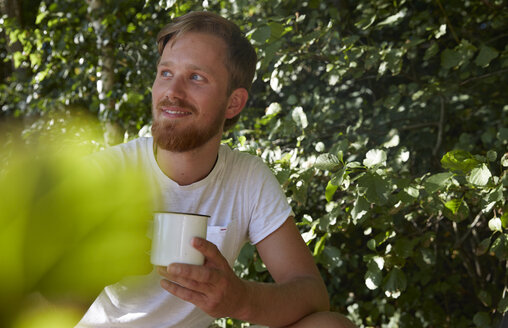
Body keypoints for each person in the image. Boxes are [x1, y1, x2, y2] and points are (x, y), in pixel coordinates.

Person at [76, 11, 356, 328]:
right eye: (165, 73)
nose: (172, 92)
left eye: (196, 78)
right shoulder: (102, 174)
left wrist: (241, 300)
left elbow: (312, 295)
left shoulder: (246, 177)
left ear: (233, 103)